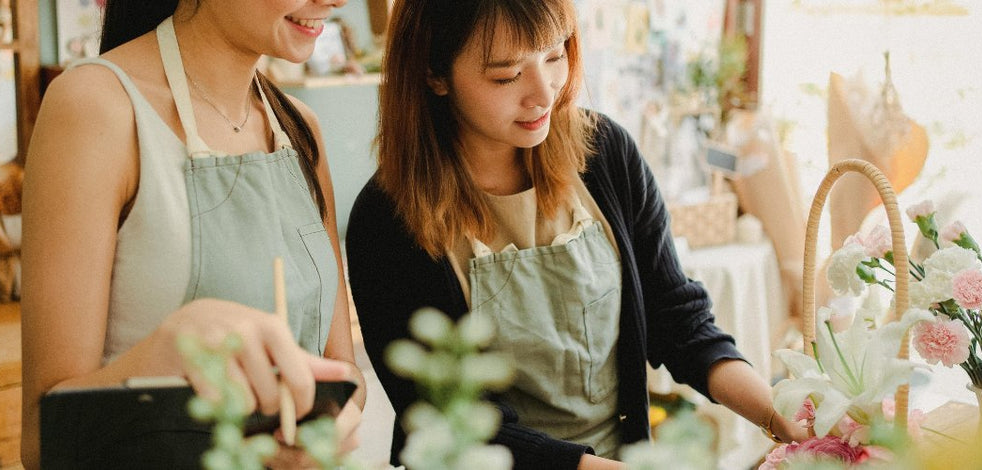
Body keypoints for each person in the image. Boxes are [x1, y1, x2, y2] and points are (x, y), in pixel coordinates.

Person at [344, 1, 809, 469]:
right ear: (434, 74)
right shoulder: (388, 221)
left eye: (554, 55)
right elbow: (457, 425)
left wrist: (776, 413)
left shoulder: (605, 154)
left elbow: (677, 318)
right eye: (505, 76)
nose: (543, 94)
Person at [20, 0, 365, 467]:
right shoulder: (94, 105)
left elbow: (344, 373)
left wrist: (325, 427)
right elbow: (45, 441)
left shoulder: (299, 127)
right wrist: (163, 354)